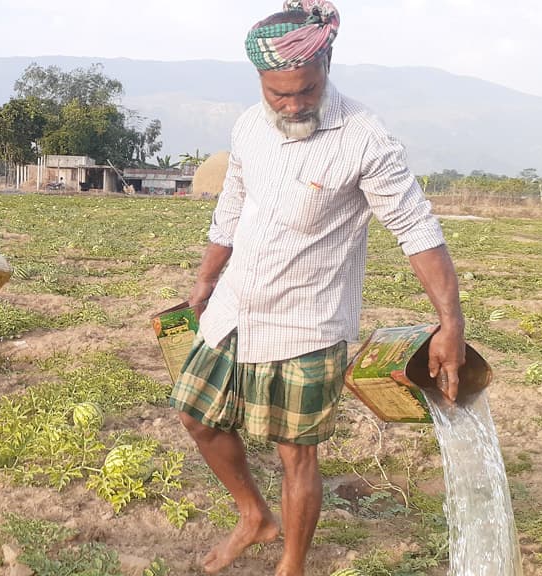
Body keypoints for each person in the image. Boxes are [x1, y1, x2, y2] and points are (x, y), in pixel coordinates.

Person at [169, 1, 466, 574]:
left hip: (306, 322)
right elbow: (231, 205)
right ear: (259, 80)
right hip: (235, 308)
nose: (293, 104)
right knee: (196, 417)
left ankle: (293, 563)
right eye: (279, 93)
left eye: (305, 90)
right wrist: (207, 278)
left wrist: (450, 322)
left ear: (327, 61)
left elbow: (415, 227)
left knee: (296, 455)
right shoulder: (249, 125)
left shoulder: (364, 137)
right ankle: (254, 516)